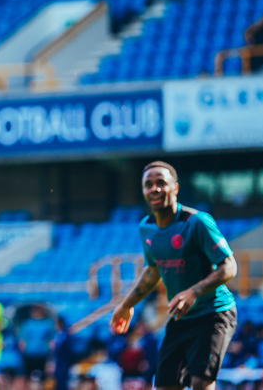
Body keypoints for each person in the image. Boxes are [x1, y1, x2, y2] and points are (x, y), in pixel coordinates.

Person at [111, 161, 238, 390]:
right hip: (181, 318)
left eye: (161, 183)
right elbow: (153, 271)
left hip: (214, 313)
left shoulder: (197, 222)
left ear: (175, 188)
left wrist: (193, 292)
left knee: (201, 382)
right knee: (165, 385)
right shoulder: (146, 228)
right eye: (148, 185)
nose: (154, 189)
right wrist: (126, 305)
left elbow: (229, 266)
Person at [17, 305, 54, 380]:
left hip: (43, 354)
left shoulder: (48, 323)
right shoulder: (27, 324)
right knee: (29, 377)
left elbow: (52, 340)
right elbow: (22, 340)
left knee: (43, 377)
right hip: (29, 354)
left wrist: (51, 355)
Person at [51, 317, 74, 390]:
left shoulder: (66, 335)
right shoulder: (57, 335)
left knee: (63, 382)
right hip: (58, 363)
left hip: (64, 363)